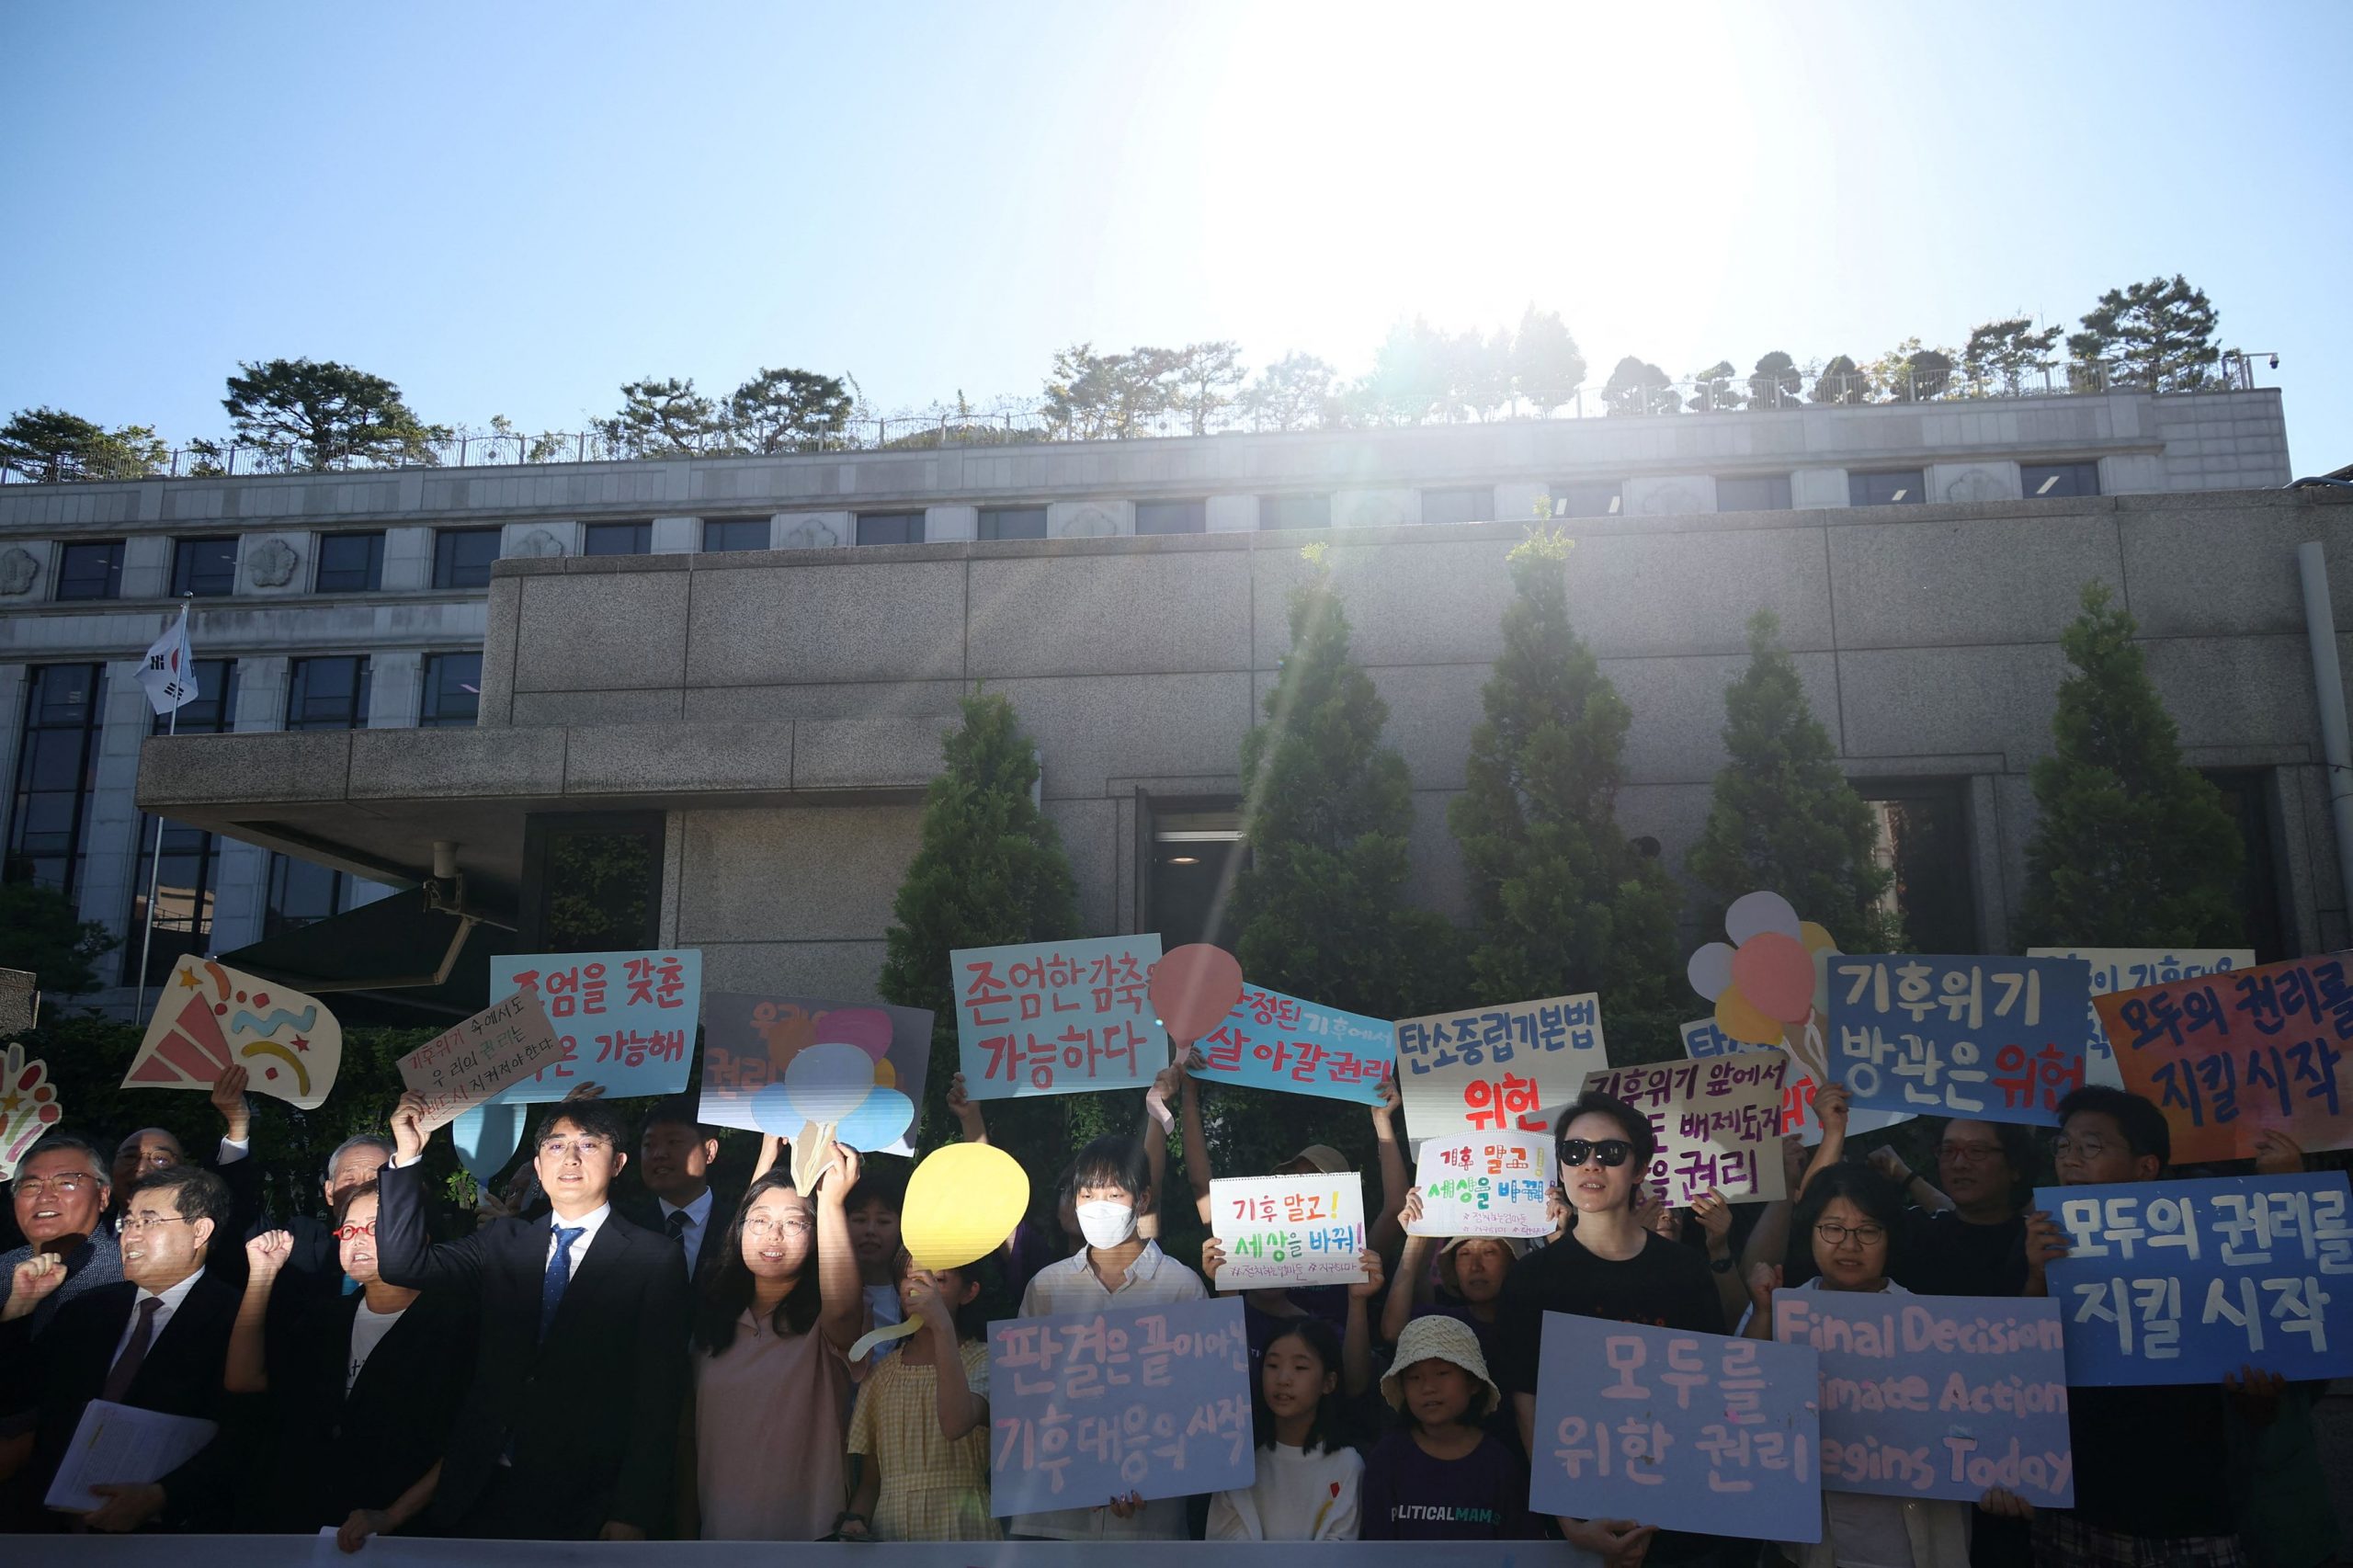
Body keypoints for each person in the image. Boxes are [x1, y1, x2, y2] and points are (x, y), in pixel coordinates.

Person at [376, 1089, 692, 1540]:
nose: (571, 1159)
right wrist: (407, 1157)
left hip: (584, 1498)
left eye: (588, 1145)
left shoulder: (654, 1257)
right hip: (478, 1489)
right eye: (556, 1146)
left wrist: (632, 1512)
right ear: (539, 1166)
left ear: (618, 1163)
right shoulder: (503, 1240)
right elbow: (403, 1265)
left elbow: (658, 1398)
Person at [1745, 1165, 2026, 1568]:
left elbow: (1986, 1426)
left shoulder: (1936, 1327)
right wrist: (1763, 1314)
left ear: (1889, 1237)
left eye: (1868, 1230)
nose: (1850, 1244)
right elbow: (1737, 1406)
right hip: (1817, 1550)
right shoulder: (1776, 1309)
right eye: (1833, 1228)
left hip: (1920, 1545)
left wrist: (2005, 1475)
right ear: (1810, 1233)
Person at [1495, 1090, 1729, 1568]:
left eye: (1611, 1153)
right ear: (1560, 1166)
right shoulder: (1531, 1278)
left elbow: (1711, 1395)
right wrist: (1570, 1518)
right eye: (1575, 1152)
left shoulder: (1685, 1270)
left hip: (1680, 1513)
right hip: (1577, 1517)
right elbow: (1528, 1402)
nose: (1591, 1165)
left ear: (1640, 1168)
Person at [2021, 1085, 2247, 1568]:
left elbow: (2253, 1394)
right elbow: (2019, 1366)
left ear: (2146, 1167)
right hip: (2075, 1509)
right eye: (2063, 1146)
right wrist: (2038, 1276)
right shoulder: (2039, 1241)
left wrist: (2258, 1395)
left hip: (2187, 1516)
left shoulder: (2207, 1246)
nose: (2071, 1159)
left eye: (2091, 1146)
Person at [223, 1181, 471, 1547]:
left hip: (407, 1537)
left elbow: (470, 1441)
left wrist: (393, 1514)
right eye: (349, 1229)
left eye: (375, 1228)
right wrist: (262, 1276)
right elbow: (243, 1380)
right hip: (309, 1524)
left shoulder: (459, 1324)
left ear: (423, 1236)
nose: (357, 1239)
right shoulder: (324, 1319)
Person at [0, 1165, 239, 1532]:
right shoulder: (89, 1309)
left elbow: (247, 1437)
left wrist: (163, 1495)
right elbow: (18, 1394)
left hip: (165, 1534)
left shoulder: (240, 1320)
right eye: (127, 1223)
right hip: (48, 1527)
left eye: (149, 1222)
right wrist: (20, 1307)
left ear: (200, 1231)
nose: (130, 1237)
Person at [1012, 1131, 1207, 1541]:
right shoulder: (1045, 1288)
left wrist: (1151, 1475)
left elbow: (1200, 1400)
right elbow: (1023, 1398)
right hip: (1055, 1518)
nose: (1097, 1206)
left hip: (1148, 1521)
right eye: (1087, 1195)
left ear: (1142, 1199)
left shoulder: (1180, 1287)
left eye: (1113, 1194)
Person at [681, 1138, 866, 1541]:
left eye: (795, 1222)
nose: (773, 1235)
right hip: (718, 1543)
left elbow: (845, 1314)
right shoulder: (713, 1329)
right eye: (760, 1221)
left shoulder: (825, 1325)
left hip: (813, 1542)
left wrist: (831, 1204)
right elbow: (688, 1446)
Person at [841, 1248, 998, 1542]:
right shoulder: (879, 1375)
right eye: (910, 1278)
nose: (920, 1288)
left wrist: (941, 1326)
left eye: (938, 1280)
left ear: (969, 1292)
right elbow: (871, 1481)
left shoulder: (985, 1359)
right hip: (893, 1528)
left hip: (965, 1527)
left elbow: (956, 1423)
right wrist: (856, 1520)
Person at [1358, 1312, 1532, 1540]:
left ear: (1472, 1382)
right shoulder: (1387, 1459)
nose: (1429, 1387)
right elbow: (1374, 1549)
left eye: (1442, 1373)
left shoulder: (1500, 1465)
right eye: (1414, 1377)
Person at [1207, 1315, 1362, 1540]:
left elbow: (1338, 1550)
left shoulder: (1347, 1465)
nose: (1283, 1379)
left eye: (1300, 1367)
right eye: (1272, 1365)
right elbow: (1225, 1548)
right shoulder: (1238, 1461)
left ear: (1329, 1382)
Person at [1870, 1119, 2037, 1297]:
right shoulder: (1909, 1232)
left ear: (2015, 1166)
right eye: (1947, 1151)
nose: (1958, 1164)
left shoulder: (2039, 1242)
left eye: (1976, 1151)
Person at [0, 1131, 122, 1335]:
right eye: (31, 1185)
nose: (45, 1197)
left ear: (103, 1197)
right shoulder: (4, 1269)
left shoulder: (129, 1272)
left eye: (66, 1183)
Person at [626, 1096, 732, 1286]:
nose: (659, 1153)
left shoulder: (739, 1228)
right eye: (649, 1145)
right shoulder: (625, 1227)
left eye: (673, 1142)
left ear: (709, 1151)